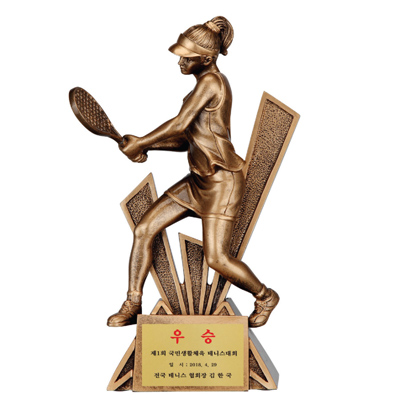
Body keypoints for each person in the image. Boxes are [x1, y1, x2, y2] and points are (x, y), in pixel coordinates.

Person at [107, 16, 279, 328]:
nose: (180, 62)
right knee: (144, 229)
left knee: (217, 259)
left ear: (207, 59)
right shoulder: (201, 87)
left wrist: (142, 141)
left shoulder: (212, 82)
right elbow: (187, 139)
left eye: (187, 57)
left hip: (222, 183)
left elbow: (179, 123)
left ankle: (265, 296)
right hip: (198, 181)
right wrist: (147, 147)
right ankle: (133, 302)